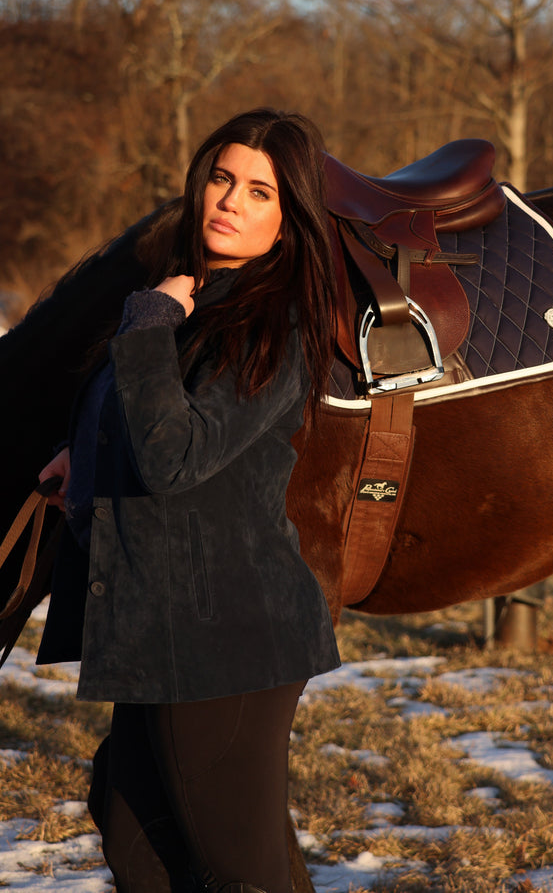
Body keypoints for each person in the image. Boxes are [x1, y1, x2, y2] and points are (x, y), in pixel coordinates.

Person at [35, 108, 341, 893]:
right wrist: (91, 447)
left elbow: (177, 456)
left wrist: (145, 326)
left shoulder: (275, 318)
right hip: (158, 623)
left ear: (289, 219)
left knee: (239, 872)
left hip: (226, 638)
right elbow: (151, 415)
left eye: (260, 192)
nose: (230, 201)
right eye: (222, 177)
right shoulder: (194, 292)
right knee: (140, 846)